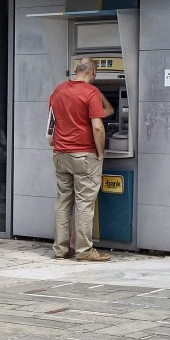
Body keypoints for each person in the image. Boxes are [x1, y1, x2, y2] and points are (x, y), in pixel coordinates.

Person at [49, 57, 114, 261]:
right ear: (93, 72)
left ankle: (60, 249)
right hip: (84, 155)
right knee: (84, 204)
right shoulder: (91, 93)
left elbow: (52, 123)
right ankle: (84, 251)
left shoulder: (58, 90)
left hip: (61, 154)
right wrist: (101, 153)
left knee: (63, 202)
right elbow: (98, 126)